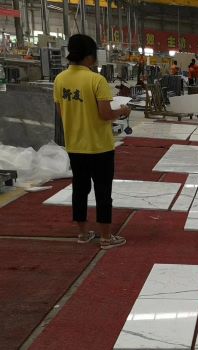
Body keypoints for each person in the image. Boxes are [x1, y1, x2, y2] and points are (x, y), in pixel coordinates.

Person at [53, 34, 129, 249]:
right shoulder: (96, 80)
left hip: (75, 145)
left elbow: (61, 112)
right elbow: (105, 114)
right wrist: (122, 111)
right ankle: (106, 237)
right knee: (103, 191)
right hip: (99, 146)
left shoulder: (60, 79)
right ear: (90, 56)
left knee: (80, 189)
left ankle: (83, 233)